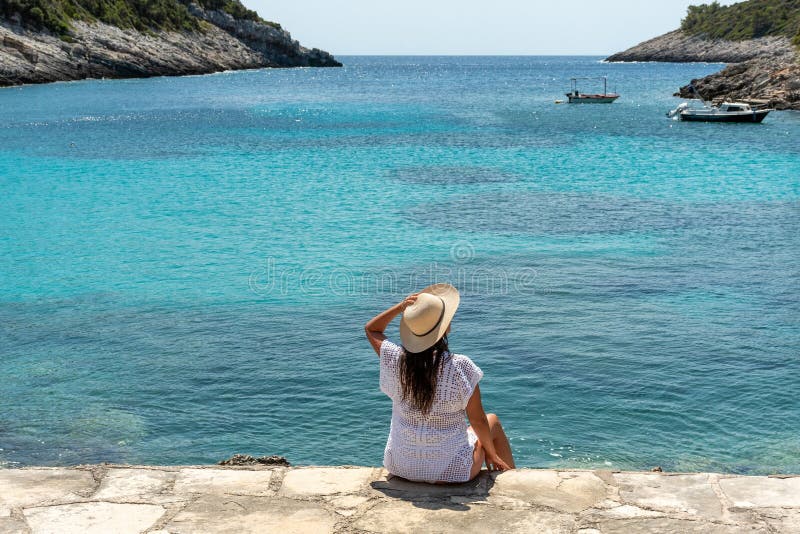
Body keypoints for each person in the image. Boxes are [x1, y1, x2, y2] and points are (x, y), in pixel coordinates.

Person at [365, 283, 515, 484]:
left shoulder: (396, 360)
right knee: (492, 421)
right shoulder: (460, 366)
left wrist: (401, 307)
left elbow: (372, 329)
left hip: (401, 466)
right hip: (451, 471)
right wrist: (490, 452)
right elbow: (478, 420)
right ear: (446, 326)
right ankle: (511, 477)